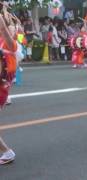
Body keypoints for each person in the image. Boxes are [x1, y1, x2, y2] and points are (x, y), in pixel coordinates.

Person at [0, 12, 17, 165]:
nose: (10, 31)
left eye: (12, 30)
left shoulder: (10, 44)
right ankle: (7, 152)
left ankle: (7, 152)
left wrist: (4, 27)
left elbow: (10, 45)